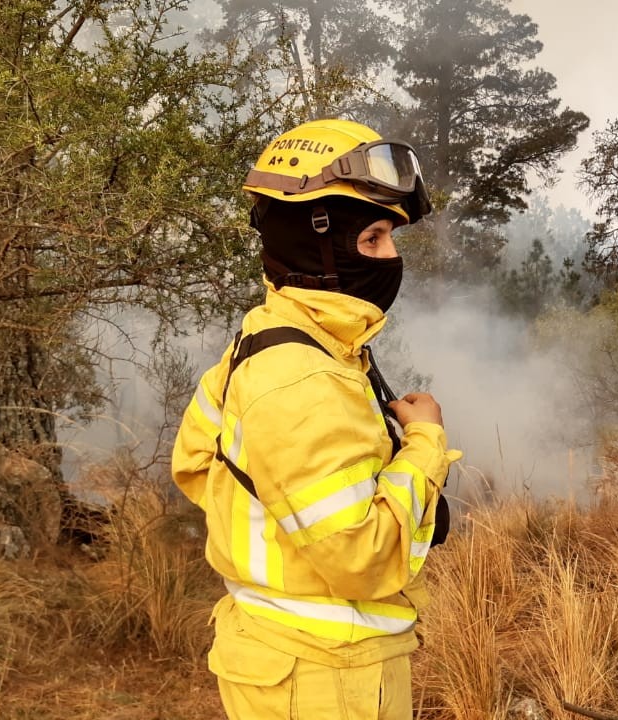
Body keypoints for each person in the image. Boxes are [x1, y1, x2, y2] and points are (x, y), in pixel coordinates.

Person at [171, 118, 461, 720]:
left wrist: (287, 526)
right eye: (374, 238)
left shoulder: (269, 338)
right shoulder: (303, 380)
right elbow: (363, 560)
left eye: (390, 238)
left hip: (281, 657)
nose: (392, 258)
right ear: (316, 240)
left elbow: (195, 465)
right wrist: (425, 443)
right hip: (328, 677)